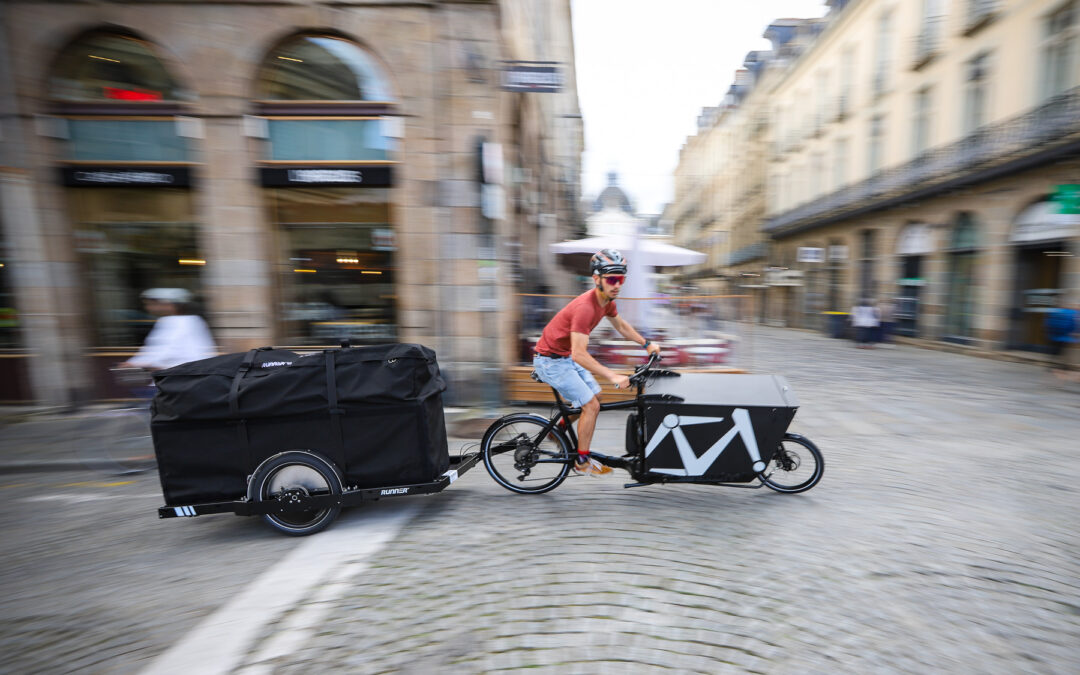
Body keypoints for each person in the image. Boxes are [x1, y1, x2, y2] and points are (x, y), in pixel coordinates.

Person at [532, 249, 661, 476]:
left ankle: (558, 431)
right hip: (551, 362)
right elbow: (579, 355)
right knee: (591, 406)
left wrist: (647, 344)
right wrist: (612, 376)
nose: (617, 285)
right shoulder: (585, 307)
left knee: (596, 397)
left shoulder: (607, 301)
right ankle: (582, 462)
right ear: (596, 279)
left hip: (563, 357)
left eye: (621, 279)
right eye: (611, 279)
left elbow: (621, 326)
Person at [119, 288, 217, 371]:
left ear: (169, 305)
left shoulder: (178, 322)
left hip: (181, 375)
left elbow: (166, 348)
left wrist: (137, 363)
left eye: (152, 304)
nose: (148, 308)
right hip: (183, 373)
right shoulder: (190, 320)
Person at [1044, 297, 1078, 378]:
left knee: (1054, 351)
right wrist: (1073, 333)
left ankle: (1052, 365)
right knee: (1063, 351)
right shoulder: (1071, 313)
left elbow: (1048, 322)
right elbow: (1072, 325)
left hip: (1054, 336)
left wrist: (1049, 332)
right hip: (1065, 337)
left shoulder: (1054, 312)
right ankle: (1063, 366)